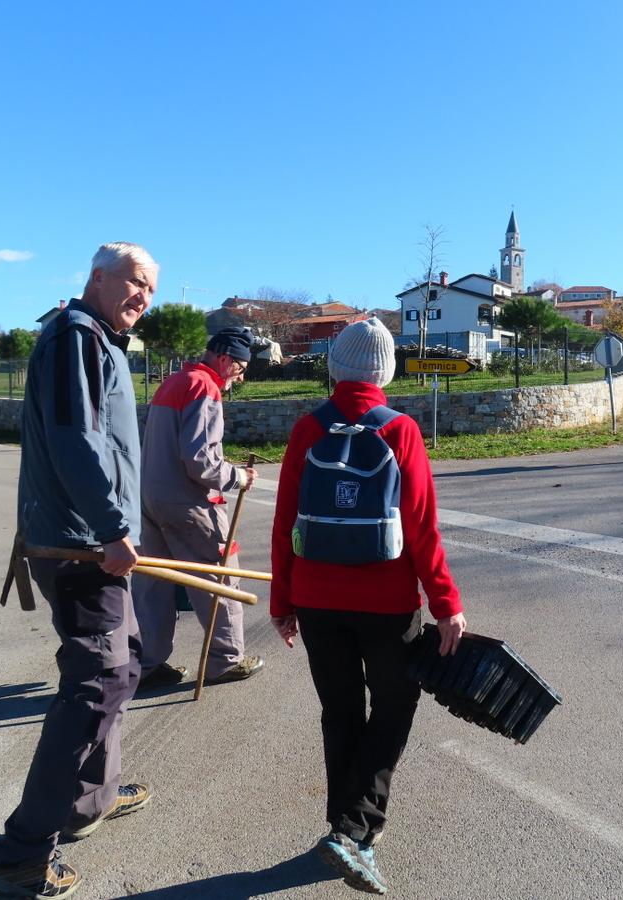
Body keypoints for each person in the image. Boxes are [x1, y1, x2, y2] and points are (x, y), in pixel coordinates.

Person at [0, 242, 158, 898]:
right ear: (98, 277)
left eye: (151, 289)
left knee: (123, 665)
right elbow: (75, 439)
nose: (143, 297)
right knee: (97, 683)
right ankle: (22, 854)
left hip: (93, 542)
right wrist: (111, 529)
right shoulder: (77, 337)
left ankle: (88, 798)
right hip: (83, 546)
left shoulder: (94, 338)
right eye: (135, 282)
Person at [270, 317, 466, 895]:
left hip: (316, 600)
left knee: (340, 712)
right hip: (387, 603)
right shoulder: (400, 430)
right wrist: (446, 603)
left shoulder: (307, 429)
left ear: (335, 368)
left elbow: (284, 523)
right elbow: (422, 527)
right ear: (385, 372)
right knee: (394, 709)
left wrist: (283, 601)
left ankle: (344, 829)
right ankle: (355, 831)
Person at [133, 328, 265, 692]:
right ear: (224, 359)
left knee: (153, 583)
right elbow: (200, 461)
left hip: (150, 498)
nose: (240, 377)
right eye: (240, 369)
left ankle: (147, 664)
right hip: (187, 503)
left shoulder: (173, 382)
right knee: (218, 577)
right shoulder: (205, 387)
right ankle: (226, 660)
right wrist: (238, 476)